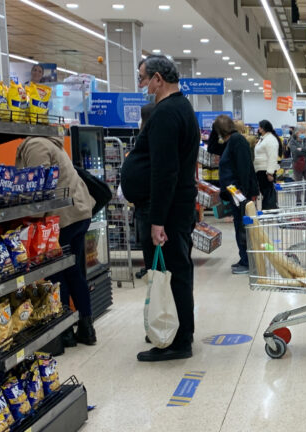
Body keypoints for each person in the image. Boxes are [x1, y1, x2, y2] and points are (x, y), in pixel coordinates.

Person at [121, 55, 198, 362]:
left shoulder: (166, 113)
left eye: (143, 79)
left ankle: (179, 340)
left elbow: (164, 171)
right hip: (173, 207)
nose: (142, 85)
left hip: (164, 209)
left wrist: (156, 221)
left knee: (170, 272)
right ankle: (178, 330)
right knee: (174, 271)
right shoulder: (181, 107)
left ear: (157, 79)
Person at [16, 135, 97, 347]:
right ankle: (86, 328)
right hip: (77, 213)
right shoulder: (51, 142)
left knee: (57, 273)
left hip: (62, 218)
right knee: (72, 271)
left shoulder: (35, 145)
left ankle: (65, 331)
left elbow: (38, 185)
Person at [215, 115, 260, 275]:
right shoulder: (232, 141)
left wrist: (242, 191)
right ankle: (244, 258)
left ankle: (248, 262)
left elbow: (243, 168)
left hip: (240, 194)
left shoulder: (236, 141)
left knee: (243, 228)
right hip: (236, 194)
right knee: (240, 227)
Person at [134, 102, 156, 280]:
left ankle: (155, 276)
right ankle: (157, 275)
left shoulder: (144, 138)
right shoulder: (151, 137)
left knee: (150, 243)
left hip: (146, 202)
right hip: (149, 200)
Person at [254, 120, 280, 210]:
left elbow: (272, 157)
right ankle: (267, 211)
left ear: (264, 128)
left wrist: (270, 173)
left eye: (260, 127)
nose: (258, 129)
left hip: (266, 171)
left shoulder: (270, 140)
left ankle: (269, 211)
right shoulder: (263, 138)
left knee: (268, 193)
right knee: (265, 192)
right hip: (260, 170)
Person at [288, 125, 306, 205]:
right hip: (297, 164)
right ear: (296, 133)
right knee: (298, 183)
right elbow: (295, 151)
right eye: (302, 132)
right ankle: (298, 201)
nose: (303, 134)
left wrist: (302, 149)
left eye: (304, 132)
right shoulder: (292, 141)